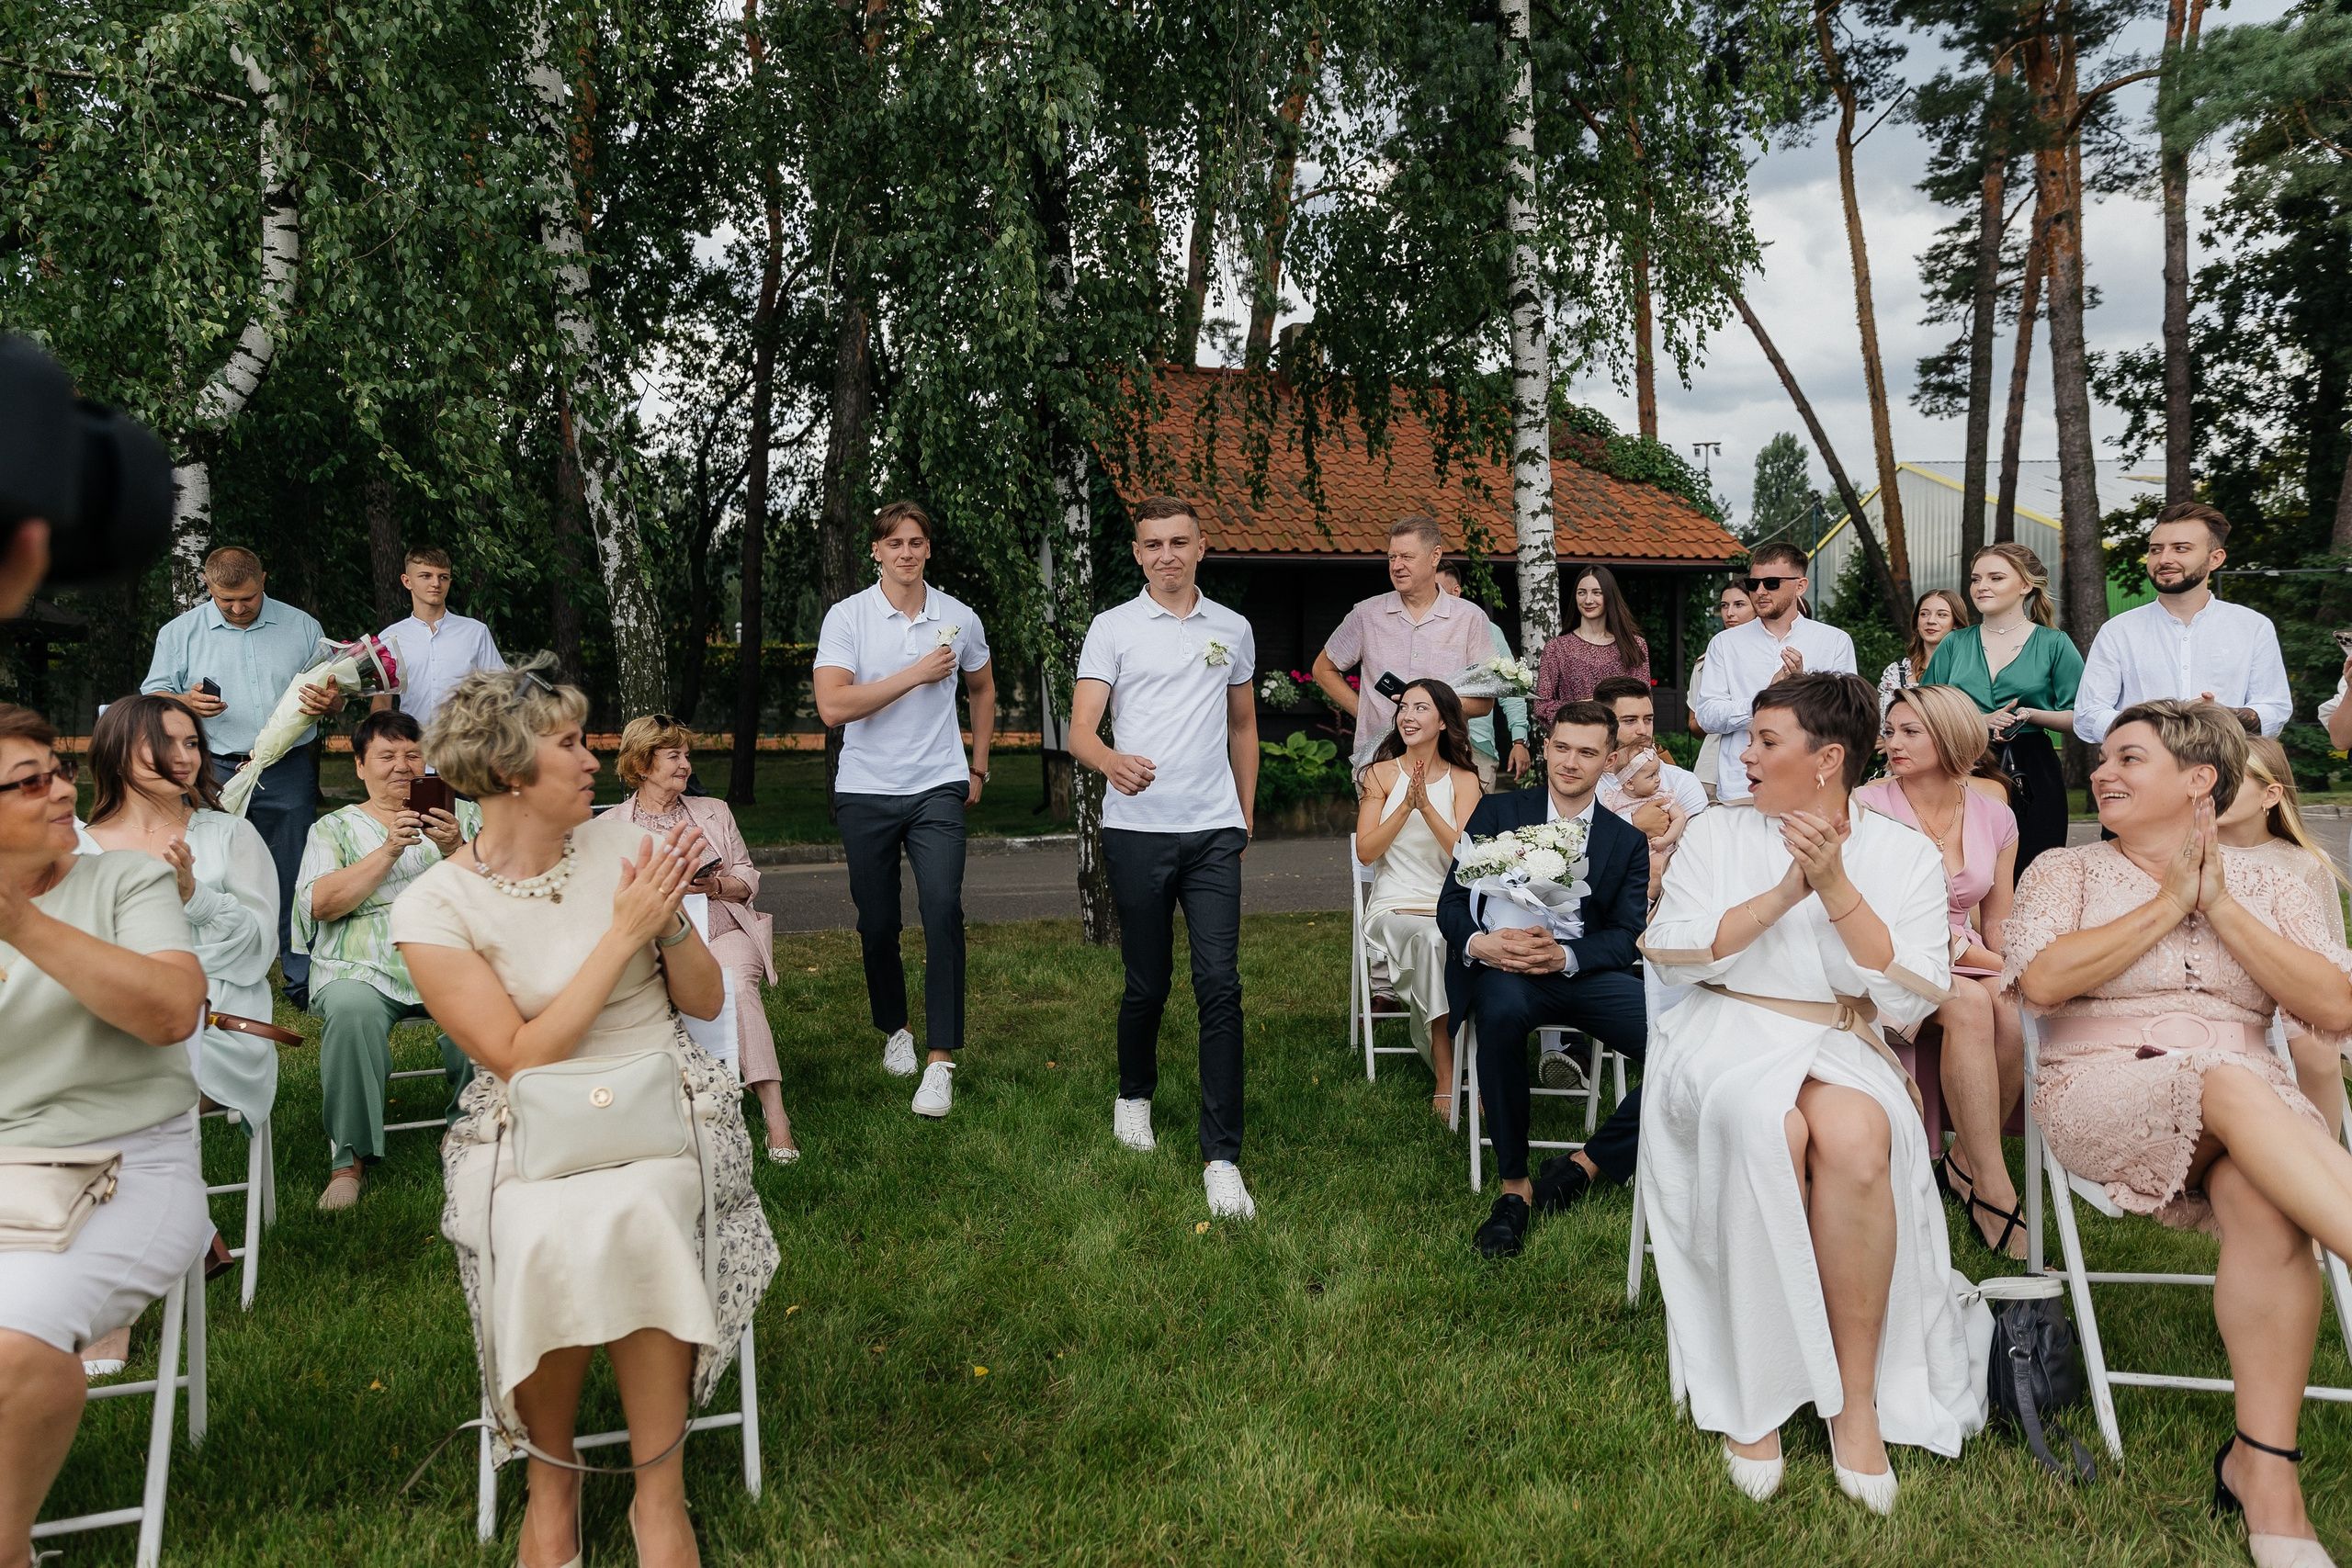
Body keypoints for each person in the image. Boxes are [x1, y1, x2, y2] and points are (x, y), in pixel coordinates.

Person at [394, 659, 777, 1568]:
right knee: (533, 1228)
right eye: (569, 743)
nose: (593, 758)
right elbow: (519, 1056)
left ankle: (659, 1492)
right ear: (512, 769)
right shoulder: (434, 904)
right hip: (528, 1117)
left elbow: (705, 1004)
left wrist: (672, 922)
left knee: (640, 1208)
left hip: (662, 1096)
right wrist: (620, 936)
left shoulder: (624, 846)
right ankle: (551, 1481)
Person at [2007, 699, 2352, 1567]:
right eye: (2102, 757)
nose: (2102, 771)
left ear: (2201, 780)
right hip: (2101, 1088)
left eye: (2130, 758)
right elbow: (2042, 983)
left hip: (2248, 1106)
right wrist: (2168, 904)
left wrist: (2223, 908)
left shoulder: (2277, 880)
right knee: (2232, 1081)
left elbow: (2336, 1006)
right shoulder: (2063, 868)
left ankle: (2264, 1474)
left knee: (2266, 1205)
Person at [1639, 671, 1981, 1511]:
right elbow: (1675, 948)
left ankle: (1856, 1400)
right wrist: (1787, 889)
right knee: (1770, 1127)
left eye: (1765, 741)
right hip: (1721, 1033)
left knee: (1863, 1139)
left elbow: (1911, 992)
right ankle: (1756, 1391)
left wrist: (1834, 885)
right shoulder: (1718, 835)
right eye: (1749, 739)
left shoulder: (1899, 853)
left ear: (1827, 759)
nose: (1745, 756)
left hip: (1836, 1036)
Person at [0, 705, 212, 1566]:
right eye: (29, 781)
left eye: (55, 767)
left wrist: (18, 921)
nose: (60, 788)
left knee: (15, 1344)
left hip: (131, 1165)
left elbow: (171, 1013)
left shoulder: (125, 883)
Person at [1069, 496, 1262, 1220]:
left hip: (1213, 832)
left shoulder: (1232, 628)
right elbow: (1082, 730)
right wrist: (1112, 761)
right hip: (1137, 831)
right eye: (1153, 544)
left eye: (1179, 541)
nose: (1167, 554)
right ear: (1137, 551)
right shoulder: (1112, 627)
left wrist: (1244, 814)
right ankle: (1134, 1095)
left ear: (1202, 547)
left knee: (1221, 986)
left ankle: (1221, 1157)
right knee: (1148, 983)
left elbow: (1244, 725)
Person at [1437, 702, 1650, 1259]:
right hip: (1503, 967)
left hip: (1579, 970)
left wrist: (1566, 956)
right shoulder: (1498, 811)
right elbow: (1453, 901)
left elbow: (1626, 934)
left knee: (1685, 1037)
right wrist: (1479, 943)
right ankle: (1513, 1188)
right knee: (1501, 1013)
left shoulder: (1625, 841)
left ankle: (1584, 1164)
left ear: (1609, 759)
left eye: (1586, 752)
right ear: (1547, 747)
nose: (1569, 762)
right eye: (1561, 748)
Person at [811, 500, 995, 1119]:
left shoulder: (960, 617)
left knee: (943, 906)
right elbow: (833, 707)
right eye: (895, 543)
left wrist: (978, 763)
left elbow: (982, 685)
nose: (907, 552)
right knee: (878, 920)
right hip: (865, 787)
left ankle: (940, 1059)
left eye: (917, 542)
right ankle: (896, 1029)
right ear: (877, 551)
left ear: (928, 550)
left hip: (938, 784)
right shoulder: (848, 617)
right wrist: (916, 673)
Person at [1852, 685, 2027, 1258]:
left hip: (1966, 952)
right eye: (1891, 730)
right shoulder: (1868, 805)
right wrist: (1985, 963)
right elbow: (1869, 911)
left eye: (1910, 732)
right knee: (1975, 1003)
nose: (1892, 743)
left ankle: (1962, 1161)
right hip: (1887, 950)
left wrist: (2016, 969)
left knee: (2012, 1004)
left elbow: (1997, 921)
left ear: (1951, 737)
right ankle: (1995, 1190)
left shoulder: (1996, 815)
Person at [141, 545, 345, 1008]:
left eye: (247, 599)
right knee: (205, 866)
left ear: (263, 579)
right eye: (225, 600)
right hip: (209, 768)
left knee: (295, 870)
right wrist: (183, 702)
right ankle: (199, 974)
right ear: (208, 587)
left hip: (286, 767)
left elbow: (335, 690)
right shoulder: (179, 633)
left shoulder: (303, 627)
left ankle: (302, 983)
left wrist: (332, 703)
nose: (237, 608)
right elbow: (152, 697)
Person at [293, 709, 480, 1210]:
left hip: (449, 954)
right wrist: (387, 852)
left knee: (486, 999)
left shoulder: (466, 818)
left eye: (412, 754)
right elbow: (320, 905)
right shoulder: (331, 828)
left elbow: (503, 894)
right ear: (359, 766)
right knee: (352, 1010)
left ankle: (470, 1130)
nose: (402, 765)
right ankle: (348, 1161)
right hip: (362, 963)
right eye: (386, 755)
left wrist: (455, 847)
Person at [81, 694, 280, 1137]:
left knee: (107, 1092)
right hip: (101, 1022)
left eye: (192, 743)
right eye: (165, 742)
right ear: (116, 754)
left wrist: (195, 896)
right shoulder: (78, 848)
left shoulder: (231, 835)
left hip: (213, 1024)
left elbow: (258, 951)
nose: (183, 756)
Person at [610, 715, 790, 1157]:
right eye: (673, 756)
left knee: (737, 987)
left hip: (721, 926)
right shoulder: (611, 826)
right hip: (654, 942)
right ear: (641, 766)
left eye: (686, 755)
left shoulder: (715, 811)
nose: (685, 764)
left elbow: (748, 874)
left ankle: (775, 1114)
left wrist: (713, 885)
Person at [1353, 678, 1483, 1118]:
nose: (1407, 716)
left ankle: (1479, 1064)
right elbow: (1366, 851)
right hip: (1395, 902)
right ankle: (1447, 1074)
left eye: (1420, 708)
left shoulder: (1466, 779)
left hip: (1449, 901)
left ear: (1444, 721)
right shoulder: (1380, 774)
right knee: (1432, 940)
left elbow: (1468, 858)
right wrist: (1405, 806)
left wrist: (1426, 806)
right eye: (1403, 707)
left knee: (1462, 940)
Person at [1920, 543, 2082, 878]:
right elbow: (1925, 712)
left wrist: (2030, 715)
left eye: (1995, 577)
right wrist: (1979, 720)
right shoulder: (1954, 643)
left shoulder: (2055, 644)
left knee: (2034, 874)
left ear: (2026, 585)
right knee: (1962, 872)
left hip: (2033, 769)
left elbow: (2079, 715)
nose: (1982, 586)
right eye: (1976, 578)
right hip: (1963, 765)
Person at [2218, 735, 2350, 1139]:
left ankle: (2321, 1160)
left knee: (2316, 1048)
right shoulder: (2190, 855)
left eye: (2228, 780)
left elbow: (2328, 948)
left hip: (2291, 994)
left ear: (2269, 794)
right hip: (2216, 991)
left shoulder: (2305, 863)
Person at [2075, 502, 2291, 746]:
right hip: (2144, 775)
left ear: (2215, 559)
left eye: (2181, 549)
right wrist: (2162, 724)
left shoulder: (2253, 627)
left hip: (2227, 774)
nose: (2164, 559)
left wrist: (2217, 716)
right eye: (2156, 550)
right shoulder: (2118, 631)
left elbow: (2275, 709)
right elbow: (2087, 716)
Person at [1313, 515, 1497, 777]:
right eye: (1392, 558)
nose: (1396, 566)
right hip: (1378, 762)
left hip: (1445, 766)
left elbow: (1484, 703)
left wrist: (1432, 706)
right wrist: (1364, 710)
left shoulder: (1470, 618)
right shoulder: (1366, 614)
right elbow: (1323, 669)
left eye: (1406, 557)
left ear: (1435, 556)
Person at [1690, 542, 1857, 803]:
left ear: (1800, 586)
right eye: (1753, 584)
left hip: (1810, 786)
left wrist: (1803, 691)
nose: (1760, 591)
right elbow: (1707, 717)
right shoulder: (1725, 643)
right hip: (1742, 786)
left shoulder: (1834, 641)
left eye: (1772, 583)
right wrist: (1764, 698)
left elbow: (1847, 718)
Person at [1591, 671, 1702, 911]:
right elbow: (1577, 846)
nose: (1643, 730)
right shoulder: (1590, 781)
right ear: (1605, 724)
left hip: (1672, 902)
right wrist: (1632, 822)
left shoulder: (1682, 782)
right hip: (1599, 902)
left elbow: (1701, 852)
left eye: (1648, 719)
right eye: (1630, 720)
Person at [373, 545, 505, 731]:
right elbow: (381, 703)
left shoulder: (475, 632)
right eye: (426, 576)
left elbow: (499, 691)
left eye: (443, 577)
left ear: (449, 582)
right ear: (407, 581)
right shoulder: (389, 638)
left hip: (465, 746)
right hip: (413, 746)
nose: (436, 583)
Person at [1435, 563, 1530, 786]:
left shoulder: (1488, 630)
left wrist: (1519, 740)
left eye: (1437, 589)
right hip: (1427, 745)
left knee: (1479, 819)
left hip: (1478, 748)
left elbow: (1509, 686)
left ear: (1456, 591)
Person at [1533, 563, 1650, 727]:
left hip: (1621, 742)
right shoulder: (1557, 648)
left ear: (1609, 596)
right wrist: (1584, 707)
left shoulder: (1634, 645)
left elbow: (1644, 704)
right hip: (1576, 740)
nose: (1588, 600)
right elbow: (1541, 707)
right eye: (1582, 593)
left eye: (1597, 593)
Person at [1689, 581, 1756, 801]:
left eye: (1739, 605)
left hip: (1759, 766)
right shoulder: (1705, 662)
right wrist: (1717, 715)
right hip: (1712, 768)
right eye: (1724, 606)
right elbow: (1695, 725)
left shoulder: (1776, 656)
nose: (1730, 613)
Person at [1879, 589, 1969, 717]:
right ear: (1917, 621)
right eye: (1924, 614)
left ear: (1956, 623)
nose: (1931, 621)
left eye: (1942, 615)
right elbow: (1885, 725)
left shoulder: (1969, 671)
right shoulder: (1897, 673)